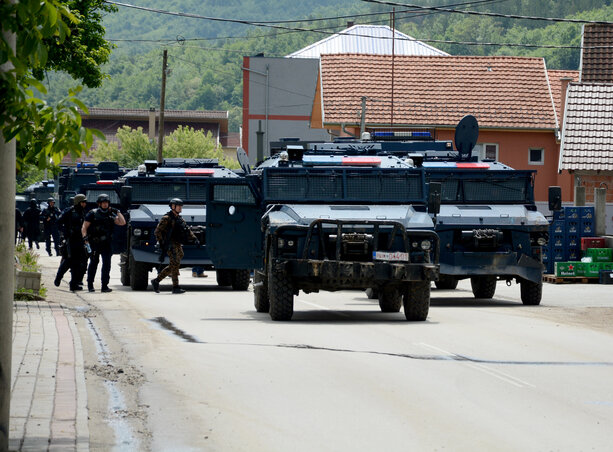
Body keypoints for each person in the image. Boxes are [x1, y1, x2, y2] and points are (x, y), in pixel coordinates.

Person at [151, 198, 199, 294]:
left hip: (177, 243)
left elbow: (187, 230)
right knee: (175, 263)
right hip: (169, 243)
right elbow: (157, 232)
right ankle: (175, 287)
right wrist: (162, 243)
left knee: (175, 262)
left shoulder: (179, 218)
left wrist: (194, 238)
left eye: (181, 206)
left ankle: (156, 281)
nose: (180, 208)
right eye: (179, 206)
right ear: (173, 207)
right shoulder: (167, 218)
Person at [82, 194, 125, 293]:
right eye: (103, 203)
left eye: (106, 203)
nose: (105, 205)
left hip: (106, 244)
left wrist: (117, 211)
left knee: (106, 265)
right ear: (99, 204)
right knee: (93, 264)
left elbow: (122, 222)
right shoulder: (92, 213)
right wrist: (85, 239)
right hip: (95, 243)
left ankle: (104, 286)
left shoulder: (110, 214)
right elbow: (84, 227)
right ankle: (90, 285)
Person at [55, 194, 88, 291]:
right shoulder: (69, 211)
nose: (84, 204)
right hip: (71, 240)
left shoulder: (83, 212)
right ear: (78, 202)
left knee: (78, 263)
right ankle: (58, 277)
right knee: (68, 261)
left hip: (80, 240)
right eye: (83, 202)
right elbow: (58, 222)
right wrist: (66, 232)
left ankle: (74, 284)